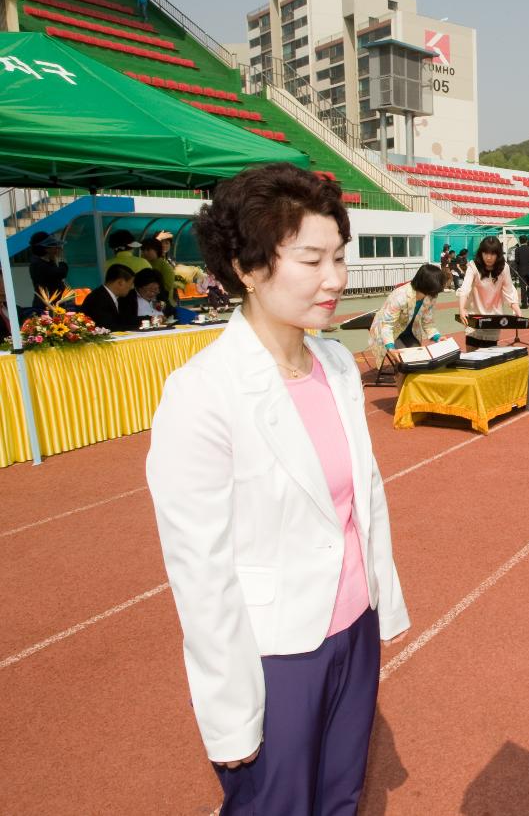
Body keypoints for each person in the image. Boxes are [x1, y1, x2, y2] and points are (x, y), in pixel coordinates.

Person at [146, 162, 409, 813]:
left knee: (340, 796)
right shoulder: (202, 393)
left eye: (340, 257)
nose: (336, 279)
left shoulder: (339, 364)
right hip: (277, 653)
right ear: (248, 267)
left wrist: (382, 602)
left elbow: (363, 497)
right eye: (312, 258)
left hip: (355, 629)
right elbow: (199, 570)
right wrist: (229, 709)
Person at [366, 263, 445, 369]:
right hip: (391, 333)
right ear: (429, 284)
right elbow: (387, 325)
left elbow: (428, 322)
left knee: (417, 360)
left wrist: (437, 337)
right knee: (405, 362)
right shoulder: (400, 296)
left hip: (410, 332)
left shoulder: (430, 296)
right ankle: (401, 381)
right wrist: (390, 347)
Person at [457, 236, 520, 350]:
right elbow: (465, 288)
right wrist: (462, 309)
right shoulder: (473, 265)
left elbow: (509, 290)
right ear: (481, 253)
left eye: (493, 254)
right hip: (474, 315)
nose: (489, 257)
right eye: (485, 253)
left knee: (488, 356)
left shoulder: (503, 267)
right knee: (472, 353)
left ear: (498, 254)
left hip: (493, 317)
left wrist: (516, 308)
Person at [79, 264, 137, 331]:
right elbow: (108, 327)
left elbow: (125, 319)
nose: (132, 287)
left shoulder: (113, 297)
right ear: (120, 282)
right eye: (131, 283)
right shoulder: (98, 299)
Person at [26, 230, 69, 311]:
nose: (57, 249)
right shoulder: (38, 264)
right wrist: (61, 260)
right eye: (54, 246)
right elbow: (61, 273)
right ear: (46, 249)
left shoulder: (47, 262)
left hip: (55, 303)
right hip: (46, 306)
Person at [140, 236, 178, 307]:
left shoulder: (164, 266)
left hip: (162, 303)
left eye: (148, 250)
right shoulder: (142, 263)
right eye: (143, 250)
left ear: (157, 250)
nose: (145, 252)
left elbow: (167, 287)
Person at [513, 234, 529, 310]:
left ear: (520, 241)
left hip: (521, 271)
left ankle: (524, 304)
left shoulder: (517, 250)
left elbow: (516, 261)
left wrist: (515, 270)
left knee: (523, 287)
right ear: (527, 241)